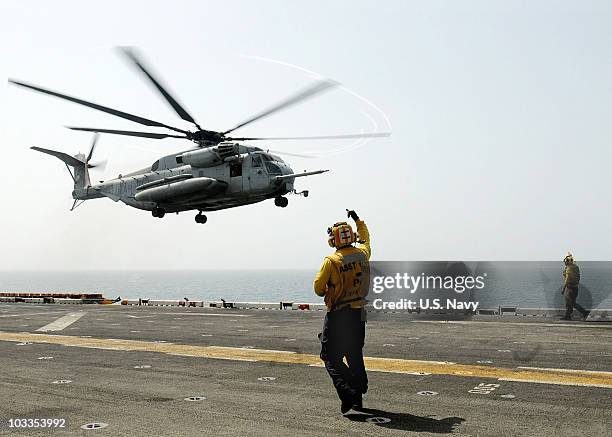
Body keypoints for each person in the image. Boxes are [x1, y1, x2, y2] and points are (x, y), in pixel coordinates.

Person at [313, 209, 371, 414]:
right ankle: (359, 393)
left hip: (338, 314)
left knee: (329, 356)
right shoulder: (363, 254)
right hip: (359, 313)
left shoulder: (331, 261)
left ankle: (349, 391)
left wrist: (331, 287)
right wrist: (357, 219)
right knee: (354, 353)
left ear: (333, 240)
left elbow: (318, 288)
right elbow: (365, 238)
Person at [561, 253, 589, 321]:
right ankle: (568, 316)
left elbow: (567, 279)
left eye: (565, 262)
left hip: (570, 288)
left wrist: (563, 288)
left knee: (570, 303)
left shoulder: (569, 269)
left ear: (568, 261)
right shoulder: (575, 267)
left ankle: (584, 312)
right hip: (575, 288)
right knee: (571, 303)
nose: (564, 263)